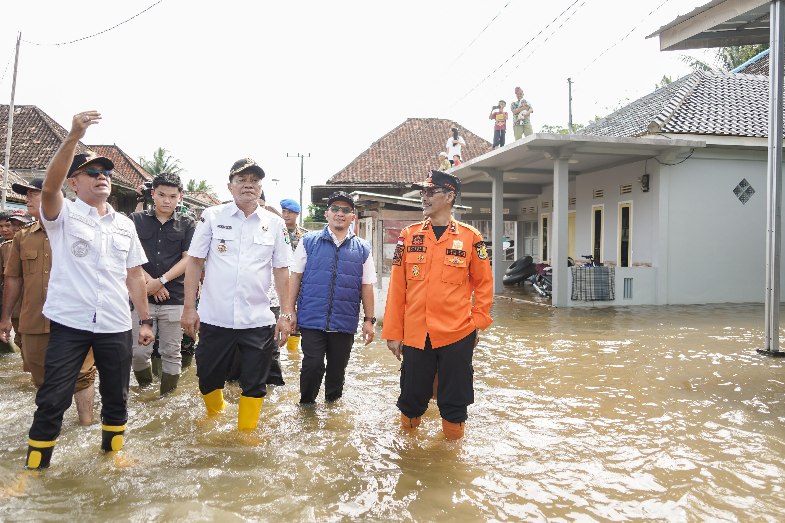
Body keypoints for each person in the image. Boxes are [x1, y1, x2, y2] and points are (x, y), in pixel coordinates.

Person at [16, 111, 154, 469]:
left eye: (106, 173)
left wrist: (145, 320)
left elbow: (135, 275)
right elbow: (48, 187)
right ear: (74, 182)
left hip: (114, 323)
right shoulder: (62, 215)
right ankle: (35, 468)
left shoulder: (124, 224)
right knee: (52, 397)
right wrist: (73, 136)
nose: (102, 178)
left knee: (117, 397)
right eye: (93, 173)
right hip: (70, 322)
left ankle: (113, 455)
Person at [181, 158, 293, 431]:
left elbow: (281, 270)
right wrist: (188, 308)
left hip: (256, 319)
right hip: (214, 317)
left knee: (255, 382)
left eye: (254, 181)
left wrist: (287, 314)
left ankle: (246, 433)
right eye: (241, 180)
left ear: (260, 187)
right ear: (229, 186)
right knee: (207, 376)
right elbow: (195, 261)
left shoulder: (275, 225)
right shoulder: (211, 216)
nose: (248, 185)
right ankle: (215, 415)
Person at [382, 170, 493, 440]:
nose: (424, 197)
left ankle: (451, 460)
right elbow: (398, 287)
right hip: (417, 334)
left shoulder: (470, 237)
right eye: (423, 192)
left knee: (455, 401)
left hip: (457, 333)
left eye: (431, 192)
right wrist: (394, 332)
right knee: (410, 397)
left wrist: (476, 324)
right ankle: (409, 455)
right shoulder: (408, 236)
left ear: (450, 196)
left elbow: (485, 285)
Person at [0, 178, 97, 424]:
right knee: (41, 377)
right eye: (27, 194)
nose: (27, 198)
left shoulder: (77, 231)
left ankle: (86, 424)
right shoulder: (22, 238)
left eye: (34, 193)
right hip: (34, 319)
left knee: (82, 375)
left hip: (74, 318)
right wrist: (5, 319)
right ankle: (54, 426)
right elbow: (13, 279)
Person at [287, 191, 376, 405]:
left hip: (344, 321)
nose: (340, 213)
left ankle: (333, 413)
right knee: (313, 364)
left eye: (346, 210)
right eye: (335, 209)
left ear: (352, 217)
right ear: (327, 213)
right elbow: (295, 275)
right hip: (312, 318)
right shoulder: (309, 241)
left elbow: (367, 285)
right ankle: (306, 406)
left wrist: (369, 321)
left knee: (337, 372)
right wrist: (289, 311)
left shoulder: (362, 248)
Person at [129, 172, 196, 395]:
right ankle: (145, 390)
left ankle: (166, 397)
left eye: (172, 196)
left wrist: (162, 281)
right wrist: (150, 282)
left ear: (180, 198)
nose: (167, 200)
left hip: (174, 297)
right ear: (152, 194)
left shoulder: (187, 224)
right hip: (141, 297)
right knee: (138, 353)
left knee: (171, 351)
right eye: (161, 195)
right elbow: (128, 257)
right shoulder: (135, 221)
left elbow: (188, 259)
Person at [280, 198, 308, 351]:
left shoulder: (305, 236)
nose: (286, 215)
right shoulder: (274, 231)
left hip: (297, 280)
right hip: (278, 279)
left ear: (297, 214)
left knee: (295, 319)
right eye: (284, 211)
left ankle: (293, 355)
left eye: (290, 212)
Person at [0, 212, 17, 353]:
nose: (4, 229)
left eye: (7, 226)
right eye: (1, 226)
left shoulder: (24, 242)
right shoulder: (3, 246)